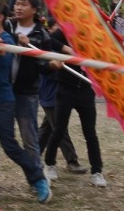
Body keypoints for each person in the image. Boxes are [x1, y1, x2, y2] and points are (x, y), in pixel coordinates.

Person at [0, 0, 52, 203]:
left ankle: (38, 180)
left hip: (4, 103)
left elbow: (4, 60)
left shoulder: (6, 39)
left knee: (11, 147)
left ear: (0, 17)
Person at [43, 22, 106, 186]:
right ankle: (49, 164)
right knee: (59, 128)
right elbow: (49, 40)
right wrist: (69, 51)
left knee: (90, 133)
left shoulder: (92, 36)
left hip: (86, 89)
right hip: (65, 88)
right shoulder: (64, 32)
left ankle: (97, 171)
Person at [7, 0, 53, 170]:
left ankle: (37, 176)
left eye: (23, 4)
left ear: (34, 9)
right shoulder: (7, 25)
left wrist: (49, 65)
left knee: (30, 138)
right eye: (17, 3)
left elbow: (43, 66)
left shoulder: (41, 34)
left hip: (27, 93)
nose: (18, 7)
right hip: (3, 89)